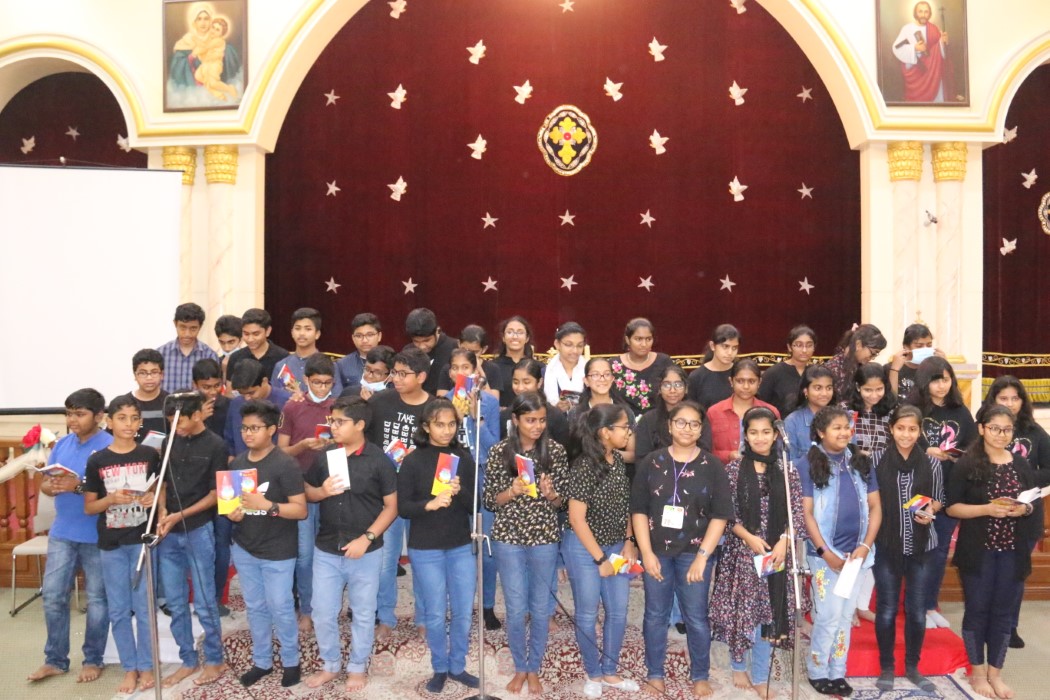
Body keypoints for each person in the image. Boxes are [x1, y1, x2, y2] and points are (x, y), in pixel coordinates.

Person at [635, 401, 732, 698]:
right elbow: (639, 510)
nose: (687, 428)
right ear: (669, 426)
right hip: (657, 552)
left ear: (701, 429)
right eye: (680, 422)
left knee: (696, 617)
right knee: (655, 614)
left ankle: (700, 674)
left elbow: (720, 515)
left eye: (694, 424)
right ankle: (655, 673)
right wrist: (646, 553)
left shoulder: (712, 466)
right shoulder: (651, 462)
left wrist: (703, 557)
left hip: (695, 552)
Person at [946, 405, 1043, 700]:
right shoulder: (967, 463)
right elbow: (952, 507)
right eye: (995, 428)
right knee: (977, 610)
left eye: (1007, 429)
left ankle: (995, 674)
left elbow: (1032, 503)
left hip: (1013, 551)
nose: (1001, 435)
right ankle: (978, 673)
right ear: (982, 429)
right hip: (979, 551)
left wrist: (1024, 509)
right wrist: (987, 509)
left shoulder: (1020, 464)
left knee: (1003, 613)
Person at [303, 396, 398, 694]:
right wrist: (321, 492)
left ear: (360, 424)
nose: (333, 426)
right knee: (322, 611)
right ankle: (330, 664)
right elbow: (307, 490)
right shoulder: (326, 455)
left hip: (365, 551)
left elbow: (392, 507)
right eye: (332, 420)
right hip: (327, 547)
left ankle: (357, 667)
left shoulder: (379, 460)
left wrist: (367, 538)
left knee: (363, 612)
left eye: (340, 422)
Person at [710, 406, 804, 698]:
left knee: (768, 614)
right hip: (742, 552)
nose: (760, 438)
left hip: (775, 555)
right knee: (742, 611)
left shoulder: (786, 470)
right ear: (745, 436)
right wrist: (748, 537)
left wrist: (784, 541)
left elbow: (796, 513)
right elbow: (726, 514)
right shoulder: (734, 470)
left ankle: (761, 675)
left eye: (766, 432)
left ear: (775, 435)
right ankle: (738, 665)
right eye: (754, 432)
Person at [484, 391, 570, 696]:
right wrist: (512, 491)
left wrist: (551, 494)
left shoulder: (555, 451)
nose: (537, 426)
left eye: (542, 420)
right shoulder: (500, 452)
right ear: (515, 420)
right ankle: (520, 666)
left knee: (540, 607)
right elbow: (489, 501)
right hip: (508, 537)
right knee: (516, 606)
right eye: (530, 420)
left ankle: (534, 667)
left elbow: (563, 504)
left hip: (544, 537)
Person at [27, 388, 112, 686]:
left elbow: (114, 493)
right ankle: (55, 660)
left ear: (98, 416)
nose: (72, 420)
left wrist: (76, 486)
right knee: (52, 596)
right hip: (62, 532)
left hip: (97, 535)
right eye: (69, 413)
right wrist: (50, 486)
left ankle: (93, 659)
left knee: (98, 600)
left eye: (80, 414)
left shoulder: (110, 446)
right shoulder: (62, 444)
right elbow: (46, 486)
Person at [799, 406, 882, 697]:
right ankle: (817, 670)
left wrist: (865, 546)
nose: (844, 432)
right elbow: (807, 513)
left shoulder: (861, 462)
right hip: (826, 557)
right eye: (837, 427)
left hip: (857, 555)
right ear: (821, 432)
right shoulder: (806, 464)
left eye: (847, 427)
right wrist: (825, 552)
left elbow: (875, 506)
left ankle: (838, 671)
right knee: (828, 616)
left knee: (845, 616)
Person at [398, 399, 480, 693]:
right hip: (426, 548)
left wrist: (459, 491)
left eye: (452, 424)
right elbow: (403, 508)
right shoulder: (413, 461)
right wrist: (429, 504)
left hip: (460, 545)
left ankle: (457, 665)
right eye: (439, 424)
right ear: (425, 426)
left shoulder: (463, 457)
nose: (446, 430)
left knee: (462, 610)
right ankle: (440, 668)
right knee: (434, 612)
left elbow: (475, 505)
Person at [225, 400, 307, 688]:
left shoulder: (285, 464)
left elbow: (300, 510)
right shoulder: (237, 464)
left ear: (271, 430)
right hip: (245, 546)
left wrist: (268, 505)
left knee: (281, 606)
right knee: (255, 607)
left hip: (278, 550)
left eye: (255, 428)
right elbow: (232, 506)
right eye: (244, 428)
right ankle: (262, 662)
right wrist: (233, 513)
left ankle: (291, 662)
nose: (248, 434)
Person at [83, 395, 161, 694]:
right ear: (109, 421)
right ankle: (129, 668)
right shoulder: (98, 460)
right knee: (118, 609)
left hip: (141, 541)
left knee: (144, 608)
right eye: (122, 418)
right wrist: (111, 499)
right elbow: (90, 507)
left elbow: (160, 491)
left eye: (134, 418)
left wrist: (153, 499)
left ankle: (146, 665)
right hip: (111, 543)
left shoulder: (150, 454)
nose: (129, 424)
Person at [561, 404, 640, 699]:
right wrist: (600, 559)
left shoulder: (617, 460)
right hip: (585, 549)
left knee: (618, 611)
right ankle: (593, 672)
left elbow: (626, 506)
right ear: (605, 432)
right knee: (587, 612)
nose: (628, 432)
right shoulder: (584, 466)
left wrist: (629, 542)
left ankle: (610, 671)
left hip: (616, 545)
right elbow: (576, 519)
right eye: (624, 427)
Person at [155, 392, 228, 688]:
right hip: (168, 531)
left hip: (198, 529)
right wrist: (163, 511)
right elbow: (162, 482)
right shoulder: (167, 442)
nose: (176, 428)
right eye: (170, 423)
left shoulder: (216, 445)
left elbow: (215, 495)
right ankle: (187, 660)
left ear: (198, 415)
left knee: (205, 600)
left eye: (180, 422)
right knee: (175, 601)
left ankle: (214, 659)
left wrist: (179, 516)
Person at [362, 347, 434, 641]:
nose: (396, 379)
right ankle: (386, 617)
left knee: (423, 561)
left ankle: (425, 617)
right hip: (387, 495)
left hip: (422, 498)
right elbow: (365, 444)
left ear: (422, 377)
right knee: (385, 562)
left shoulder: (435, 408)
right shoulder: (380, 402)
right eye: (394, 373)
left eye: (404, 374)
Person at [871, 405, 944, 693]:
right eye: (901, 428)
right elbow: (869, 500)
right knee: (887, 609)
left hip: (923, 545)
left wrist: (930, 509)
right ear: (891, 429)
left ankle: (913, 666)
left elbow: (938, 498)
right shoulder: (876, 459)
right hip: (886, 545)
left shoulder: (932, 463)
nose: (906, 434)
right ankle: (887, 666)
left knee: (916, 611)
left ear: (919, 431)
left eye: (912, 429)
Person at [906, 355, 976, 628]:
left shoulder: (960, 411)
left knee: (939, 550)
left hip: (949, 490)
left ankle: (929, 605)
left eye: (946, 380)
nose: (942, 386)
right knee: (919, 548)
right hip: (917, 490)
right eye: (936, 380)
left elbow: (973, 446)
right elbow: (902, 441)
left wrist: (958, 455)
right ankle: (915, 606)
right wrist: (926, 450)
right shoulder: (913, 409)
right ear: (925, 381)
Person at [982, 375, 1050, 648]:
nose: (1010, 404)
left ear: (1023, 401)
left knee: (1015, 573)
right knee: (989, 573)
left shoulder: (1035, 432)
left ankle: (1010, 626)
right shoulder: (984, 429)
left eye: (1015, 398)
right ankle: (987, 623)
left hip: (1026, 513)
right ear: (993, 401)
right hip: (991, 513)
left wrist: (1021, 480)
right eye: (1003, 398)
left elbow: (1048, 469)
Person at [277, 353, 338, 633]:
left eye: (327, 383)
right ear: (305, 380)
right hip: (299, 487)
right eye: (316, 383)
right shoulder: (292, 406)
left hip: (331, 486)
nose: (322, 388)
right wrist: (303, 446)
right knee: (304, 555)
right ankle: (307, 608)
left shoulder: (337, 407)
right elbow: (280, 452)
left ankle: (328, 605)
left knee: (330, 552)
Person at [440, 348, 501, 629]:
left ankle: (487, 606)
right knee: (456, 545)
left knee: (486, 544)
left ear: (476, 371)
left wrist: (477, 416)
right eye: (455, 367)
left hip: (482, 474)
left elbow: (494, 447)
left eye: (466, 367)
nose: (460, 372)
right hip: (452, 474)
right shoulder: (442, 401)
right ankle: (458, 605)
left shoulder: (489, 401)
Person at [846, 363, 897, 626]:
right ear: (857, 387)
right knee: (856, 544)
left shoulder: (892, 411)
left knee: (874, 545)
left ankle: (863, 604)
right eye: (868, 390)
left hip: (884, 482)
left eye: (879, 389)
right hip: (853, 482)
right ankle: (848, 605)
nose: (874, 395)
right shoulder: (846, 411)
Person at [705, 358, 780, 464]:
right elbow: (706, 450)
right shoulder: (714, 412)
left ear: (759, 382)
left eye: (751, 381)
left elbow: (777, 449)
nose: (746, 387)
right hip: (721, 471)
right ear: (731, 381)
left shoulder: (770, 412)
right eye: (740, 381)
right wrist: (729, 455)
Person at [568, 357, 637, 465]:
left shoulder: (625, 411)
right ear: (586, 381)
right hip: (586, 471)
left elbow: (632, 455)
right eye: (595, 375)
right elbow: (574, 452)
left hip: (620, 470)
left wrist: (608, 453)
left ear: (612, 379)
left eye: (607, 374)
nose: (602, 379)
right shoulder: (576, 412)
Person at [224, 358, 291, 457]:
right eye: (242, 394)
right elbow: (230, 441)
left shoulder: (287, 402)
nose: (247, 398)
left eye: (251, 393)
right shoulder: (235, 404)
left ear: (264, 381)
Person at [498, 358, 571, 447]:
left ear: (539, 382)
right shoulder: (505, 415)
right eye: (516, 382)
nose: (520, 388)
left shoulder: (554, 415)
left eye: (526, 382)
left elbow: (565, 448)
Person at [891, 1, 954, 103]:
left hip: (933, 74)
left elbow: (942, 55)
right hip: (916, 72)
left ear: (929, 13)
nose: (923, 15)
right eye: (920, 11)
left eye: (926, 12)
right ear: (915, 13)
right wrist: (915, 48)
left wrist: (943, 42)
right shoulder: (907, 29)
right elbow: (896, 48)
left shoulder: (934, 29)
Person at [270, 307, 343, 395]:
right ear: (292, 333)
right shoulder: (281, 366)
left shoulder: (330, 366)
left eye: (308, 329)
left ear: (317, 334)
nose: (302, 333)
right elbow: (275, 398)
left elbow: (336, 398)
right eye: (297, 328)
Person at [610, 318, 673, 415]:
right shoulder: (614, 365)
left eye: (648, 339)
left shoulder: (664, 362)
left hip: (659, 420)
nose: (644, 344)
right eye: (638, 339)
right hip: (624, 421)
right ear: (627, 340)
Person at [634, 364, 690, 463]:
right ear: (659, 389)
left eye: (678, 385)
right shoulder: (648, 420)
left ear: (686, 389)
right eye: (666, 385)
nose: (672, 390)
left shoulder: (696, 417)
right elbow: (642, 459)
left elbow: (704, 452)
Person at [757, 325, 817, 418]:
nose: (804, 350)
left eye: (809, 345)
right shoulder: (774, 373)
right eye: (799, 345)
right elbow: (760, 404)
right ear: (789, 347)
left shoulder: (817, 373)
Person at [157, 302, 218, 393]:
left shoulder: (210, 356)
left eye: (193, 328)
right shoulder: (161, 354)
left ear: (200, 327)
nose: (187, 334)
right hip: (167, 402)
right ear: (175, 324)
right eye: (183, 327)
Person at [782, 365, 837, 463]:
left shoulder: (841, 418)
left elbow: (851, 457)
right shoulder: (792, 422)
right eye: (818, 388)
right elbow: (789, 462)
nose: (824, 393)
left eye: (829, 388)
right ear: (805, 391)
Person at [436, 324, 503, 400]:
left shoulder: (493, 369)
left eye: (474, 352)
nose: (468, 355)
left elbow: (493, 402)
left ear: (484, 349)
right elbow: (441, 401)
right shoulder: (448, 368)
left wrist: (480, 371)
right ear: (459, 344)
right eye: (464, 350)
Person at [225, 308, 289, 385]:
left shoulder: (283, 356)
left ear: (268, 331)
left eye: (256, 334)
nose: (250, 339)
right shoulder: (235, 358)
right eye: (246, 334)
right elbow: (230, 390)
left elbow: (289, 387)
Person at [404, 307, 459, 395]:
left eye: (427, 340)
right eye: (416, 341)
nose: (422, 346)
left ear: (437, 331)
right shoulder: (408, 352)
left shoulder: (456, 349)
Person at [823, 323, 887, 399]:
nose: (872, 358)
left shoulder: (859, 365)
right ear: (858, 344)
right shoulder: (834, 368)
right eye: (873, 353)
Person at [119, 348, 169, 443]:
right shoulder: (124, 403)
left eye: (154, 372)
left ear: (162, 374)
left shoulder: (170, 401)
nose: (149, 378)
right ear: (135, 375)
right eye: (143, 373)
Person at [686, 323, 740, 409]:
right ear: (712, 346)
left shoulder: (740, 373)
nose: (730, 353)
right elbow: (691, 410)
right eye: (725, 346)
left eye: (734, 348)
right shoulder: (697, 376)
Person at [886, 323, 943, 398]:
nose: (925, 349)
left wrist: (944, 365)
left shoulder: (934, 368)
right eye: (919, 346)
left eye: (929, 345)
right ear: (906, 347)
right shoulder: (890, 368)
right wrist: (894, 370)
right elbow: (890, 399)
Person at [544, 322, 588, 411]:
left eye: (580, 346)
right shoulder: (545, 372)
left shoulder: (590, 371)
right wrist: (555, 409)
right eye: (568, 345)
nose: (575, 351)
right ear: (557, 344)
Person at [493, 316, 535, 407]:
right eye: (510, 332)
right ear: (503, 337)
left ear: (527, 338)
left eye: (520, 332)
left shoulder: (537, 367)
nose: (515, 336)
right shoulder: (492, 367)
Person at [193, 18, 239, 101]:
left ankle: (229, 89)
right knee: (198, 76)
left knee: (213, 83)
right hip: (206, 64)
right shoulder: (210, 39)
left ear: (221, 34)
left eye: (217, 30)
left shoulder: (219, 41)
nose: (213, 31)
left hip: (214, 65)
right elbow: (204, 53)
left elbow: (205, 47)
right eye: (213, 27)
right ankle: (215, 92)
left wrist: (197, 51)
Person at [336, 312, 383, 390]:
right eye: (359, 336)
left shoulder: (391, 362)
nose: (364, 340)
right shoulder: (341, 365)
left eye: (370, 335)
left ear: (379, 336)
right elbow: (338, 394)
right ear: (353, 338)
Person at [192, 358, 230, 438]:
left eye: (217, 385)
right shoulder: (188, 407)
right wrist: (199, 419)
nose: (213, 392)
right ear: (195, 385)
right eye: (206, 387)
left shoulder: (230, 406)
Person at [214, 313, 243, 386]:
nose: (226, 348)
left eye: (231, 342)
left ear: (241, 340)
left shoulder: (250, 360)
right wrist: (224, 371)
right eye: (222, 342)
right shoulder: (216, 362)